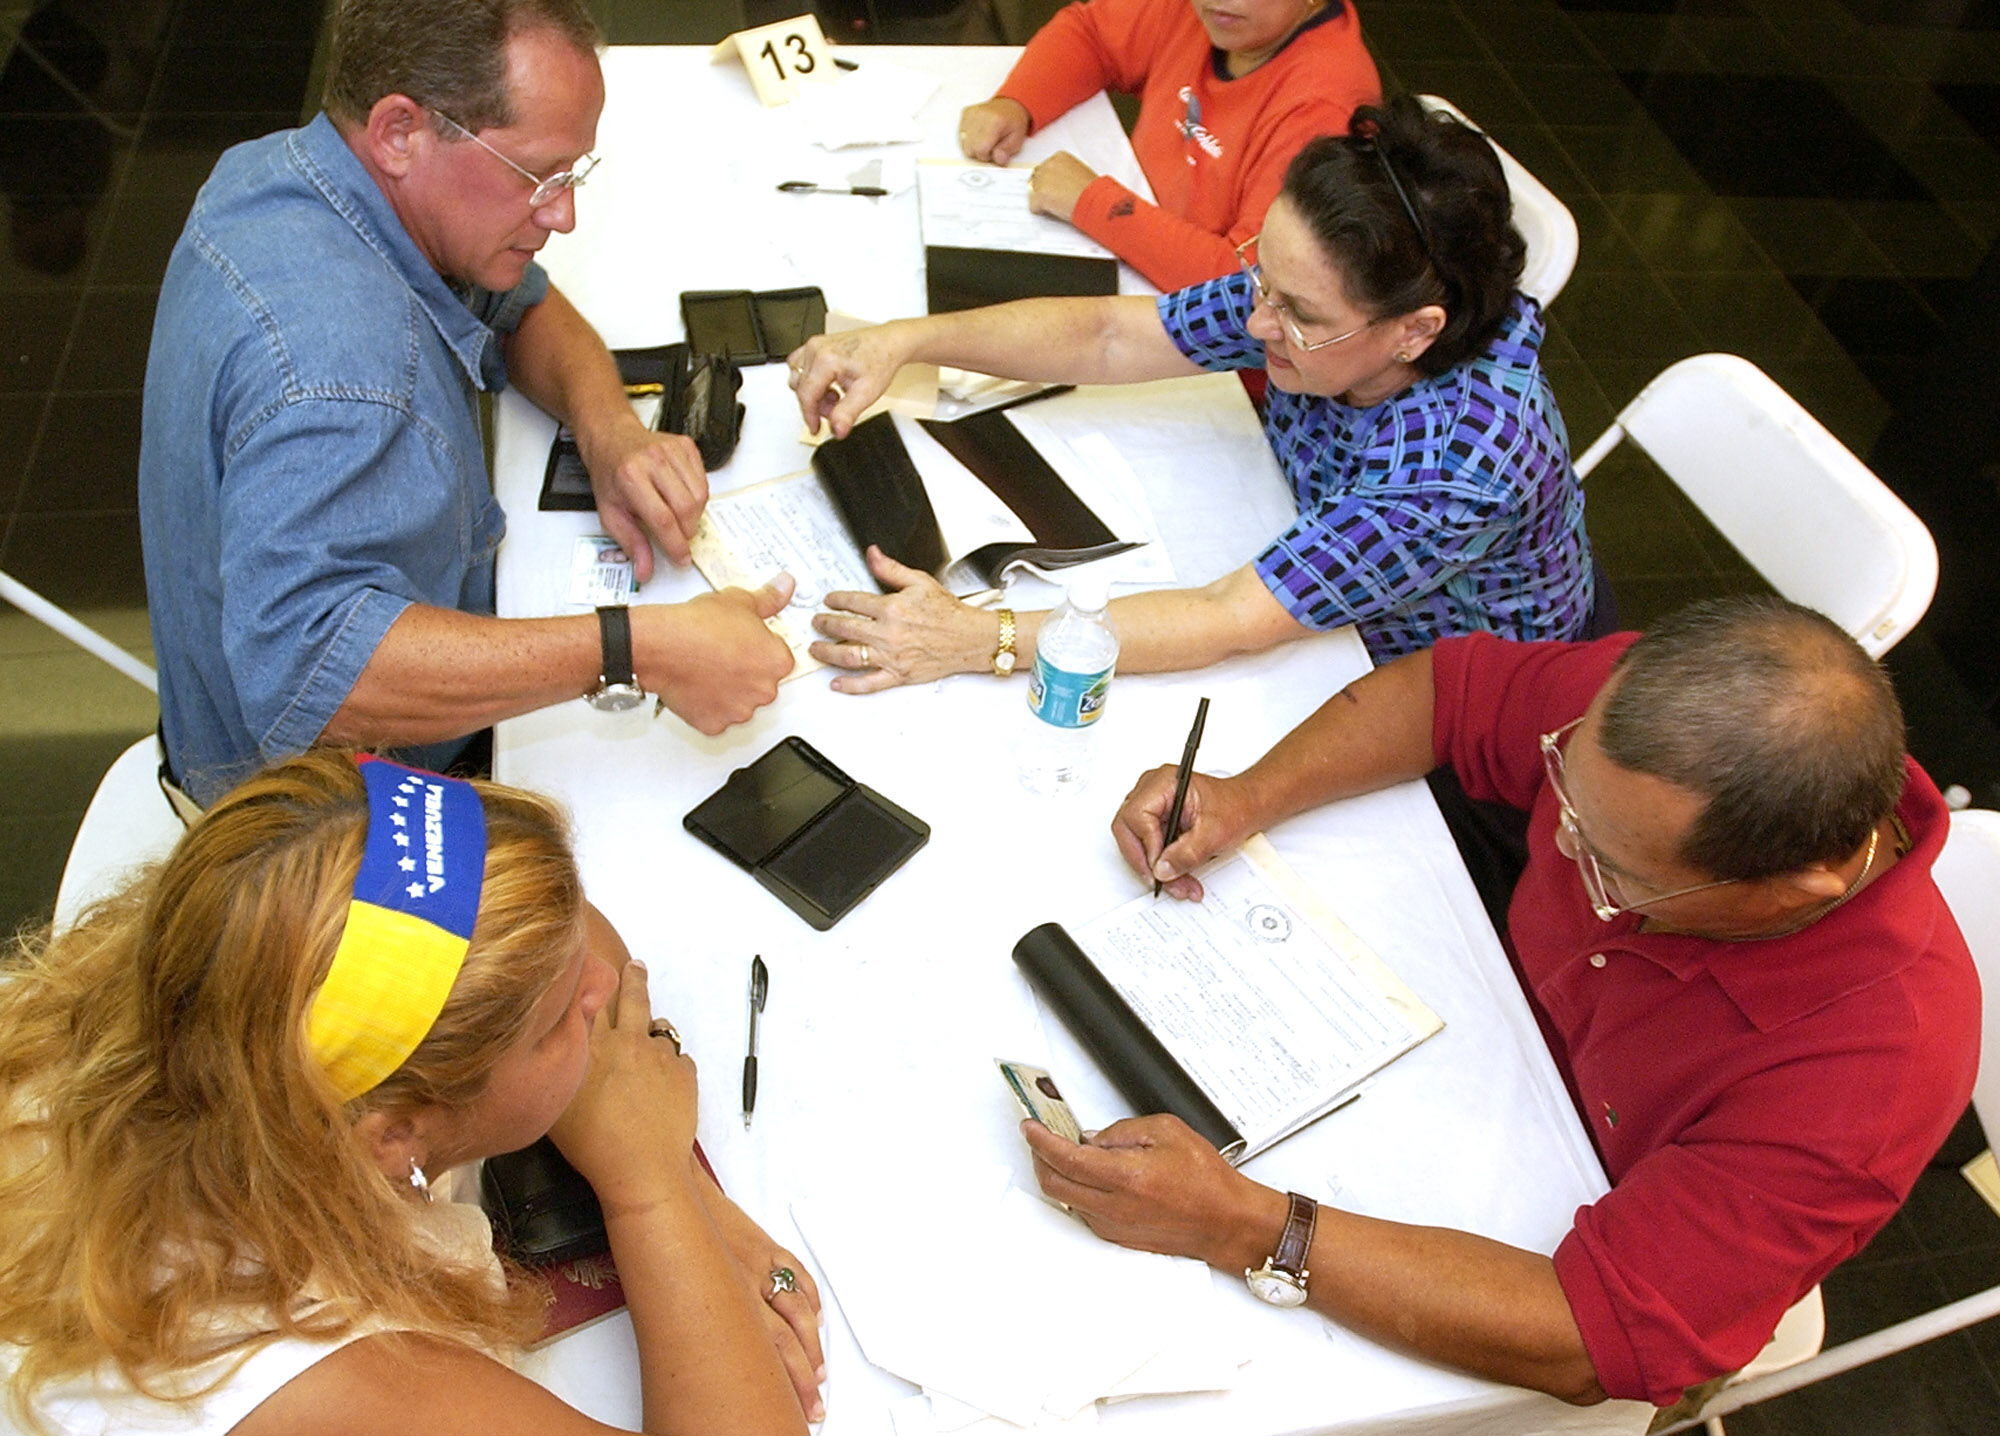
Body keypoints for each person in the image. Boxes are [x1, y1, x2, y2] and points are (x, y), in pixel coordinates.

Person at [1026, 596, 1978, 1412]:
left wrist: (1242, 1226)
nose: (1561, 847)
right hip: (1470, 1051)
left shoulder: (1877, 1064)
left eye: (1612, 868)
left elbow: (1584, 1334)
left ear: (1801, 886)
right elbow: (1451, 696)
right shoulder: (1679, 730)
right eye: (1566, 794)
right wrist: (1248, 794)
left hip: (1566, 1232)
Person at [0, 750, 824, 1436]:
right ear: (394, 1139)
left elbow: (575, 933)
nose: (607, 991)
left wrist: (690, 1195)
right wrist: (650, 1185)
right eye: (552, 1026)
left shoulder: (237, 961)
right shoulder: (311, 1375)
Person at [139, 0, 794, 808]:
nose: (563, 213)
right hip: (306, 840)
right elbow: (315, 681)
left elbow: (521, 306)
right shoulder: (344, 377)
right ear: (400, 132)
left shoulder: (298, 175)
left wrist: (611, 431)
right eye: (541, 177)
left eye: (574, 175)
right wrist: (634, 650)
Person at [790, 98, 1594, 694]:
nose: (1255, 321)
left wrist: (976, 638)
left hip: (1435, 681)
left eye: (1297, 315)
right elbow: (1111, 334)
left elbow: (1226, 617)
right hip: (1294, 528)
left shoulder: (1465, 459)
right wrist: (905, 339)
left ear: (1416, 331)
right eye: (1261, 279)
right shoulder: (1324, 296)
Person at [956, 0, 1379, 292]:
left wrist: (1093, 203)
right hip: (1136, 257)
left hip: (1219, 349)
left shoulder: (1323, 107)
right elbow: (1092, 34)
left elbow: (1252, 283)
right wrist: (1017, 102)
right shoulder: (1215, 14)